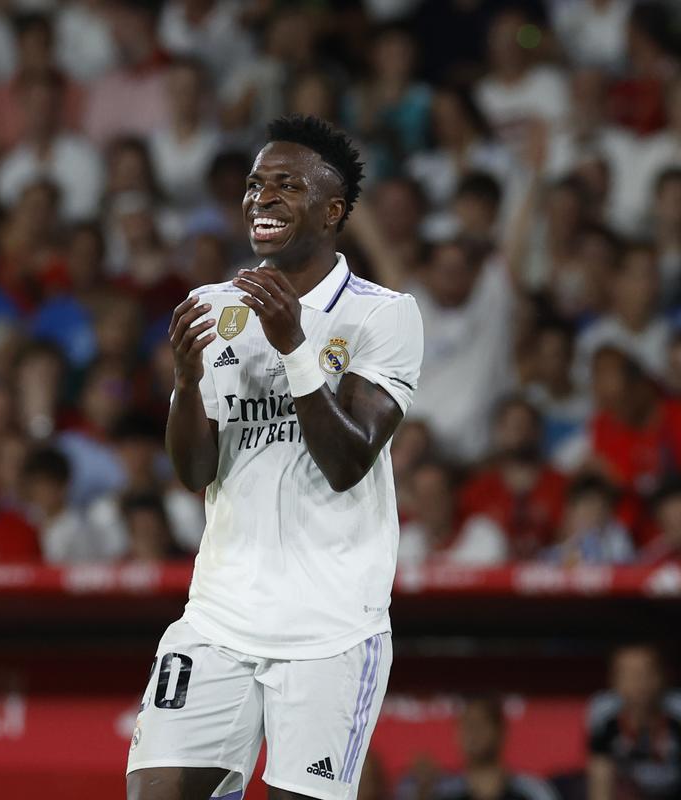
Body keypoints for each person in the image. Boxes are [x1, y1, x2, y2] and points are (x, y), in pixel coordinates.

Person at [127, 115, 424, 800]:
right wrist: (185, 382)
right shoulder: (213, 307)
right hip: (220, 615)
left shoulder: (383, 316)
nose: (262, 197)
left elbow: (347, 461)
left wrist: (293, 349)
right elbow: (194, 471)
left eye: (287, 185)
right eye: (257, 184)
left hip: (330, 630)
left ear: (332, 210)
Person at [587, 645, 681, 799]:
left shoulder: (677, 712)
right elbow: (600, 775)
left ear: (664, 676)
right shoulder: (604, 715)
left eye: (646, 674)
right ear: (613, 680)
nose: (638, 684)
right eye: (629, 675)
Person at [419, 696, 558, 800]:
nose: (472, 732)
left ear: (500, 731)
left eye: (480, 723)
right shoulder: (443, 793)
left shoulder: (531, 791)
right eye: (466, 724)